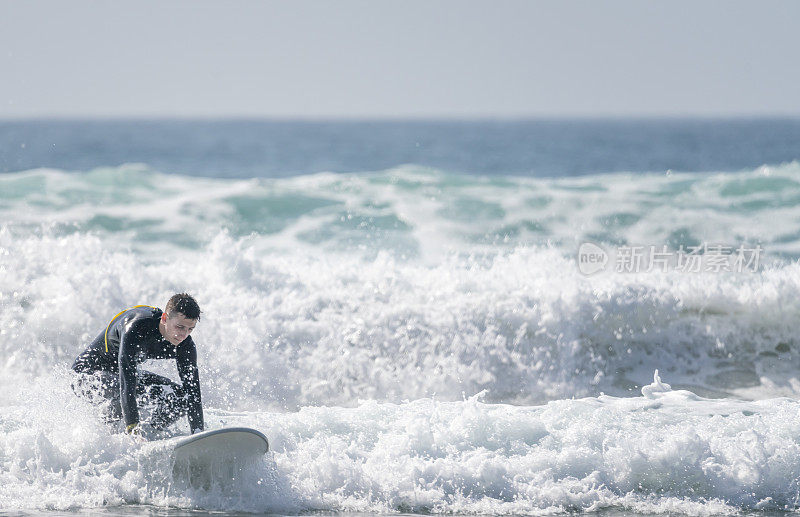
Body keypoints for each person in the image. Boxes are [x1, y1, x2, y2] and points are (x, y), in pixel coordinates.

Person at [72, 293, 205, 438]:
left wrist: (198, 434)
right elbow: (127, 384)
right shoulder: (136, 328)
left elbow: (193, 393)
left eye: (190, 329)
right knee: (128, 389)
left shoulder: (185, 345)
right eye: (180, 327)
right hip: (86, 375)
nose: (184, 335)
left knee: (180, 397)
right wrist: (134, 431)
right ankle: (116, 438)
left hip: (119, 375)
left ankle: (151, 433)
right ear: (165, 318)